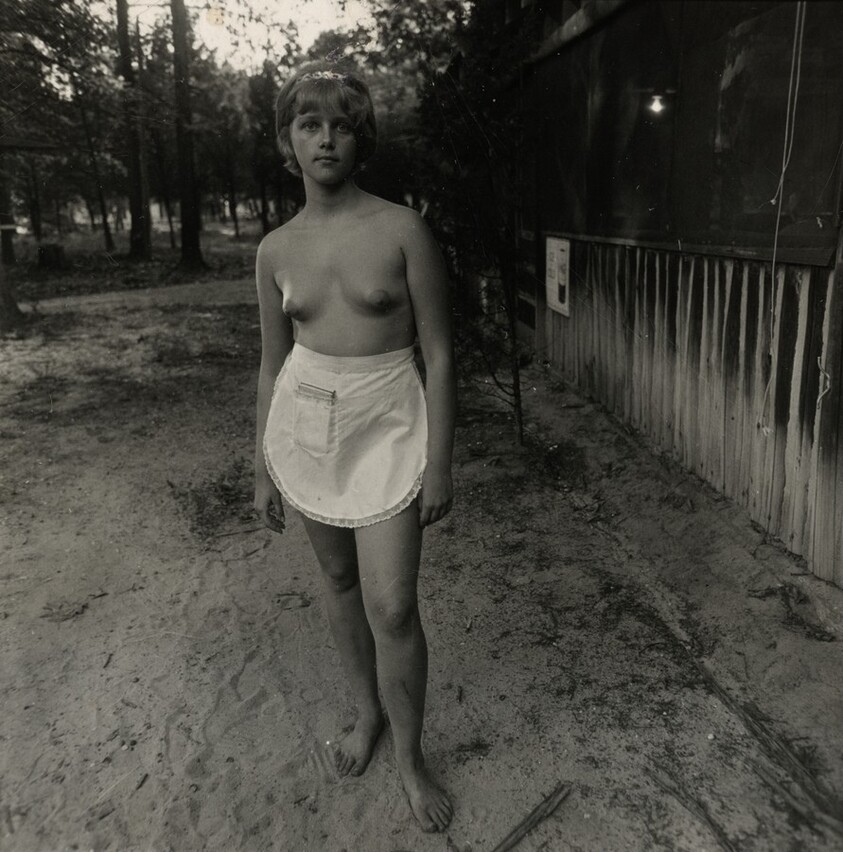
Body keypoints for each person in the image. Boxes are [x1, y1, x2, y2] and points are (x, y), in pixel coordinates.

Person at [252, 63, 457, 834]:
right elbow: (272, 362)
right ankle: (365, 712)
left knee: (393, 603)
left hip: (388, 422)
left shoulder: (401, 229)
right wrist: (261, 466)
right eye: (309, 124)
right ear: (288, 143)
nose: (325, 137)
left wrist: (438, 460)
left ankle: (410, 755)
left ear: (358, 137)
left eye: (339, 123)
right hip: (306, 422)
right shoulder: (275, 249)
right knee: (338, 579)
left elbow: (437, 352)